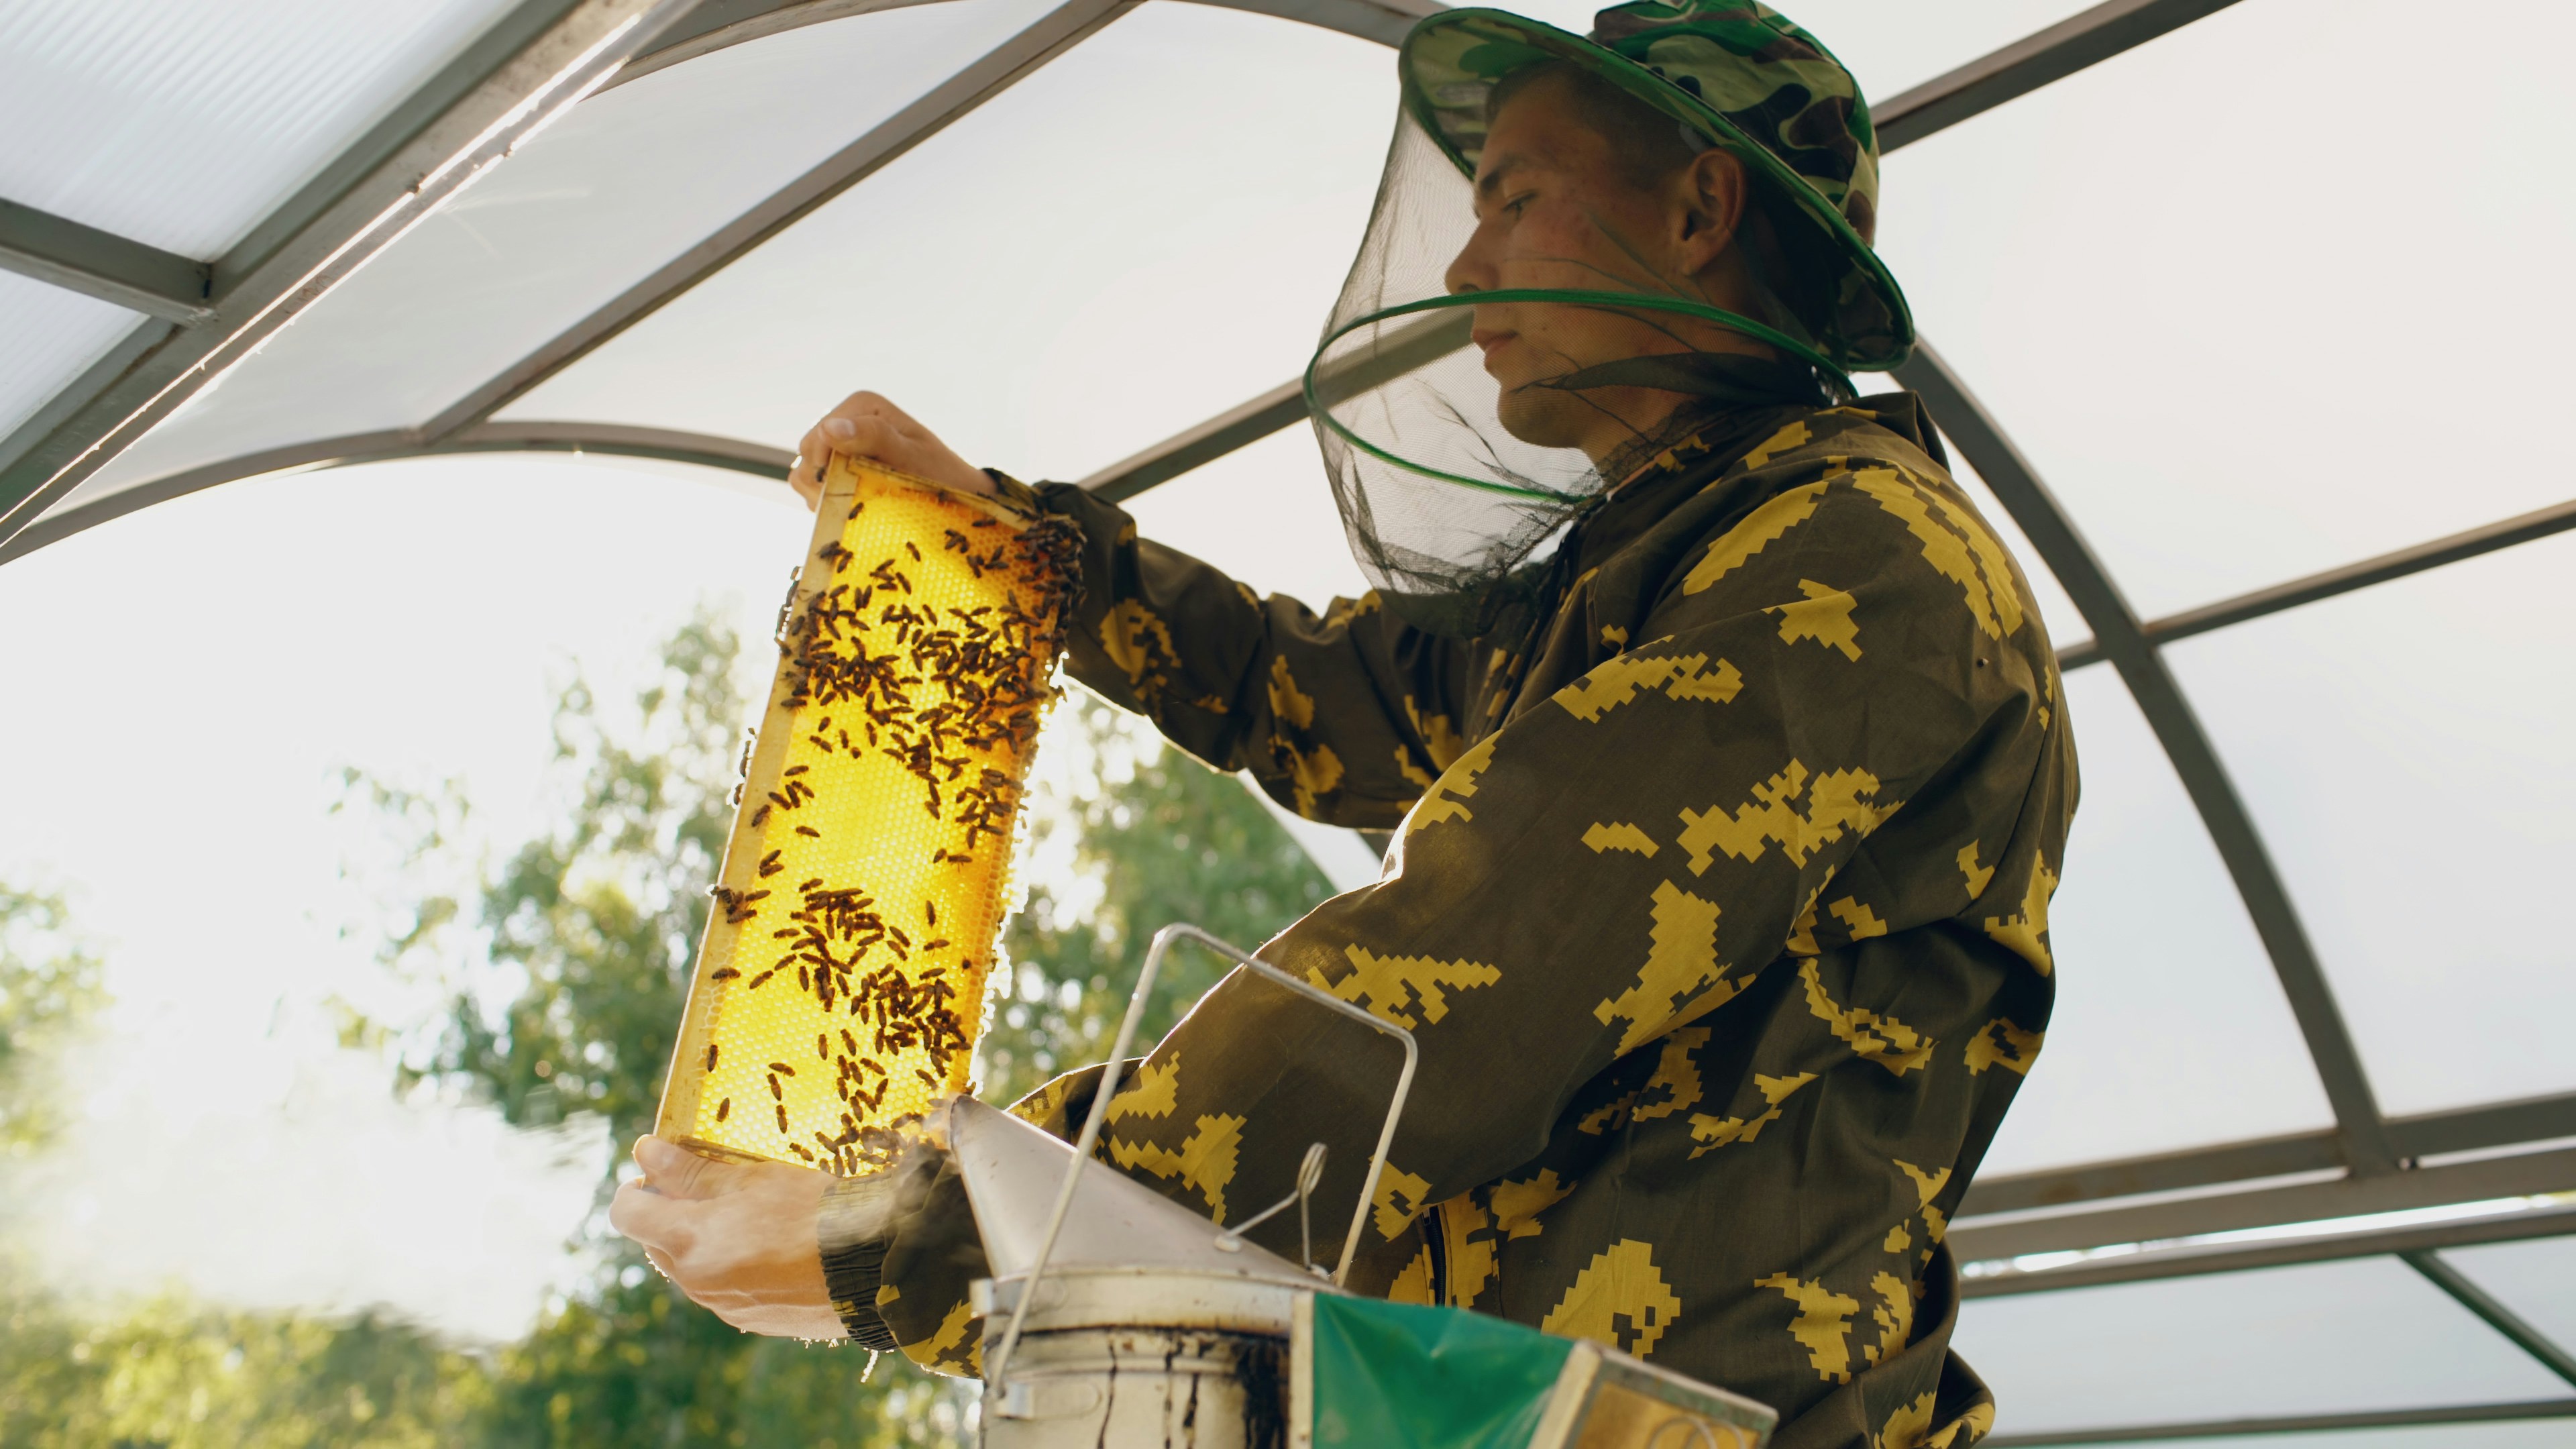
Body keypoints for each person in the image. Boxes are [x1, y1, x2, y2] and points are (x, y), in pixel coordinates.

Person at [612, 4, 2074, 1445]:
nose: (1463, 259)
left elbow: (1467, 966)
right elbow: (1320, 695)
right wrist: (1020, 545)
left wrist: (908, 1233)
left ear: (1699, 208)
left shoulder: (1857, 566)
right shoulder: (1656, 564)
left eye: (1515, 196)